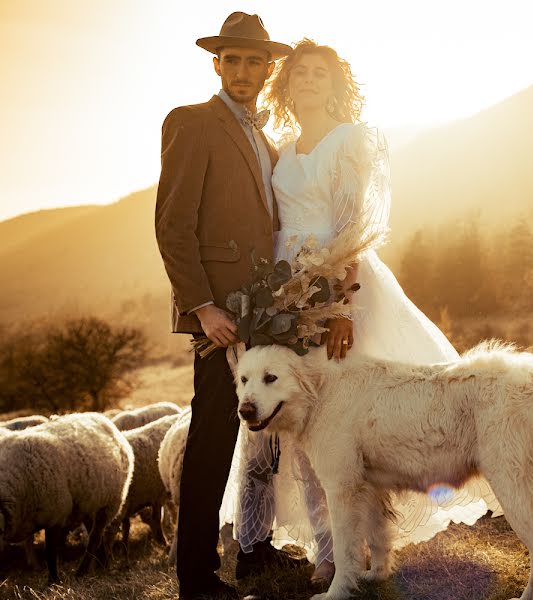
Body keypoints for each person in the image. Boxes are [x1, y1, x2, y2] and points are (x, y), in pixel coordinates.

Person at [223, 39, 492, 586]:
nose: (309, 81)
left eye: (321, 73)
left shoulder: (350, 141)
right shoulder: (284, 148)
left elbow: (351, 225)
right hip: (286, 292)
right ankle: (330, 548)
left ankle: (371, 544)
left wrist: (343, 304)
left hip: (337, 287)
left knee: (357, 420)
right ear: (287, 83)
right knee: (301, 422)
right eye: (300, 73)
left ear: (336, 84)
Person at [154, 12, 295, 600]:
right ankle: (197, 577)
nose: (242, 70)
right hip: (220, 317)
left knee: (266, 436)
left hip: (266, 310)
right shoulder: (192, 123)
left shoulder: (265, 139)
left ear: (268, 69)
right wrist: (202, 306)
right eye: (231, 59)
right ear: (217, 64)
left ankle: (256, 550)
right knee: (212, 438)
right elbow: (173, 225)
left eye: (253, 61)